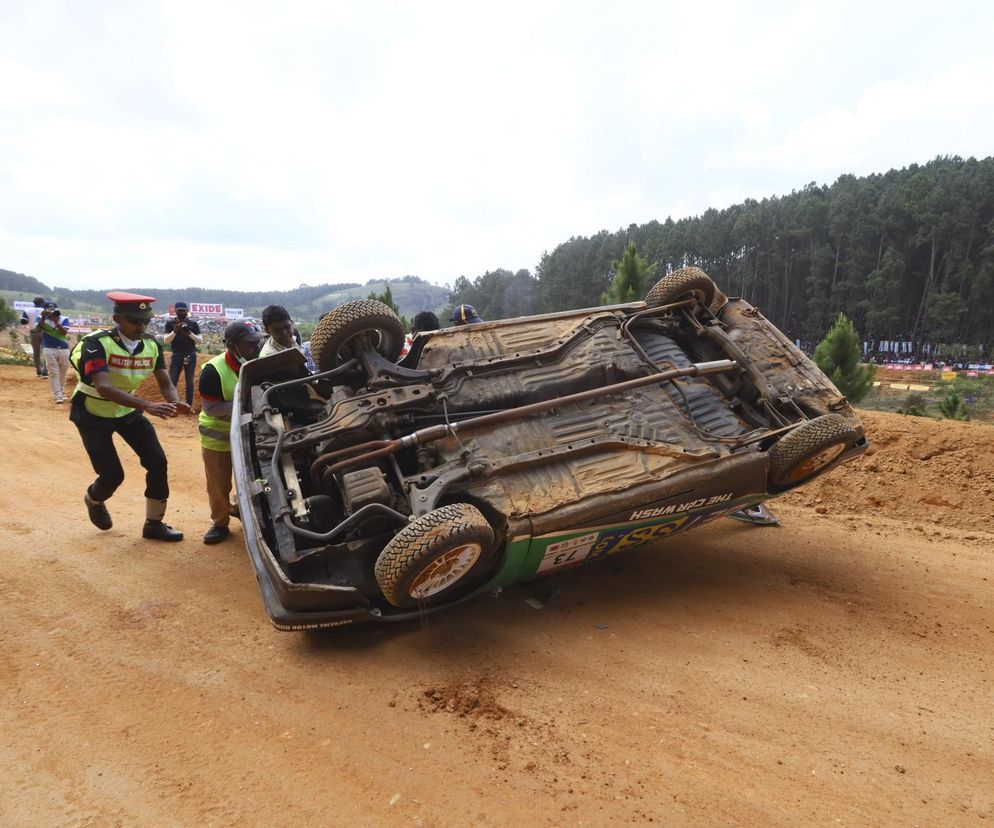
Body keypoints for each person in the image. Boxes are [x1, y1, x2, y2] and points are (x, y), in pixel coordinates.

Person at [69, 292, 191, 541]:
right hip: (93, 413)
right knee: (112, 475)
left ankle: (154, 524)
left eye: (146, 321)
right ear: (117, 319)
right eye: (135, 321)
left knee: (157, 461)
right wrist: (147, 404)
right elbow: (102, 386)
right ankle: (94, 499)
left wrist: (175, 402)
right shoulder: (96, 344)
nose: (141, 326)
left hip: (127, 410)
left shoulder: (151, 345)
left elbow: (165, 381)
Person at [198, 320, 265, 544]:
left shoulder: (261, 364)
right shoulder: (213, 371)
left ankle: (246, 512)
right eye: (249, 345)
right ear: (231, 345)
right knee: (219, 484)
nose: (256, 349)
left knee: (257, 478)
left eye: (257, 343)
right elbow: (211, 408)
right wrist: (246, 405)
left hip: (251, 433)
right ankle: (219, 523)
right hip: (219, 437)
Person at [163, 301, 202, 407]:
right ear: (175, 311)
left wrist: (189, 333)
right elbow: (166, 340)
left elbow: (200, 341)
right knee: (172, 380)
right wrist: (175, 331)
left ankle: (188, 405)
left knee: (189, 381)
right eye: (179, 311)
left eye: (183, 311)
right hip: (176, 354)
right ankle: (172, 405)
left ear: (187, 311)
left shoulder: (193, 324)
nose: (181, 313)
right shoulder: (170, 323)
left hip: (190, 354)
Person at [37, 301, 72, 403]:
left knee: (63, 372)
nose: (51, 312)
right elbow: (38, 330)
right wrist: (43, 318)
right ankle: (58, 394)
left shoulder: (63, 319)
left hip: (64, 348)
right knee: (53, 372)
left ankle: (61, 391)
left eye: (53, 310)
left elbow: (64, 332)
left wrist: (56, 321)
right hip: (49, 348)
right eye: (49, 310)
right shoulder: (40, 318)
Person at [20, 296, 48, 377]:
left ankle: (38, 370)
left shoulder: (27, 310)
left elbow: (23, 321)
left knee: (36, 352)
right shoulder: (46, 311)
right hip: (45, 332)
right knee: (45, 351)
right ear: (42, 303)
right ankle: (45, 371)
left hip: (34, 332)